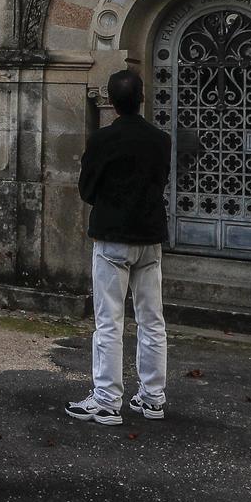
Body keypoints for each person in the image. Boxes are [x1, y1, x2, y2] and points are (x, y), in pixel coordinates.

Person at [66, 70, 173, 427]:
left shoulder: (102, 140)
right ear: (142, 98)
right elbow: (160, 182)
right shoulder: (160, 140)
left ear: (110, 101)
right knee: (152, 321)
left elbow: (87, 189)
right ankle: (153, 397)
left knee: (109, 321)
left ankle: (108, 400)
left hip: (113, 237)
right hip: (149, 237)